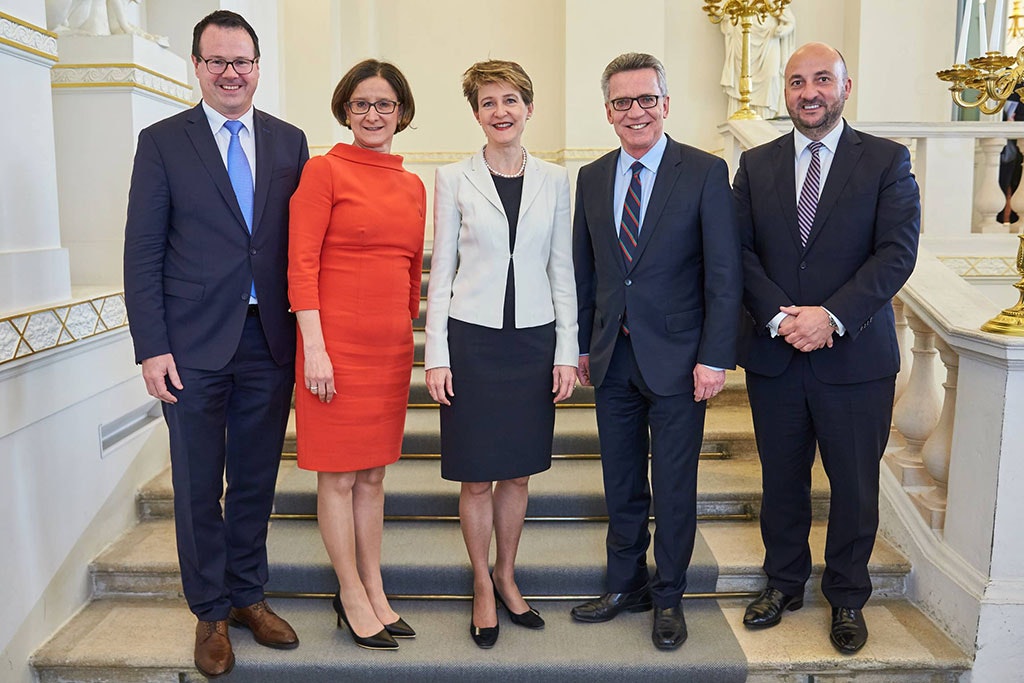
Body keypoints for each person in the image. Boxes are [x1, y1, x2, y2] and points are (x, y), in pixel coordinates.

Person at [123, 10, 307, 678]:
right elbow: (141, 250)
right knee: (200, 483)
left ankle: (249, 596)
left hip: (268, 339)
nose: (232, 73)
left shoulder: (290, 142)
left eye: (243, 61)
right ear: (197, 67)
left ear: (259, 67)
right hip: (191, 346)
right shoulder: (163, 142)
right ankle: (209, 609)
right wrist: (152, 345)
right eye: (217, 61)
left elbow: (297, 244)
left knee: (256, 477)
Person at [733, 42, 920, 654]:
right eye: (795, 82)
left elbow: (895, 253)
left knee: (855, 486)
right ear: (783, 93)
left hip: (855, 359)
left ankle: (846, 596)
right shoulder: (754, 164)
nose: (808, 92)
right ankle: (783, 583)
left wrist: (831, 317)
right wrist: (783, 317)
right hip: (777, 354)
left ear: (845, 87)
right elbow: (739, 252)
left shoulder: (888, 161)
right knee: (782, 479)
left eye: (821, 80)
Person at [570, 52, 742, 651]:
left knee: (672, 485)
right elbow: (586, 271)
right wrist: (585, 346)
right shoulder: (592, 177)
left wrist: (715, 356)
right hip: (613, 359)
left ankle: (669, 595)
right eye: (622, 102)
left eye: (646, 100)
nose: (635, 111)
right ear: (609, 111)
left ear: (666, 105)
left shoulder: (703, 171)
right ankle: (625, 585)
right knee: (620, 482)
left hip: (679, 360)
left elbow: (724, 272)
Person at [424, 59, 577, 649]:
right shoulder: (453, 178)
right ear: (476, 113)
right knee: (475, 477)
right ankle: (481, 586)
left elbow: (561, 271)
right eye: (488, 102)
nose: (501, 111)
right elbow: (442, 274)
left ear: (529, 108)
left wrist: (567, 350)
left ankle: (508, 576)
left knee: (517, 472)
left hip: (534, 341)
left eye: (511, 100)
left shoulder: (555, 179)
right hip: (472, 339)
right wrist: (436, 355)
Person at [288, 59, 425, 652]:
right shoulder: (323, 172)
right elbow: (301, 265)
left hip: (389, 349)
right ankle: (349, 592)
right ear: (346, 109)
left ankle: (375, 586)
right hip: (332, 348)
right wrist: (314, 348)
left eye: (385, 105)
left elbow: (409, 269)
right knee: (339, 477)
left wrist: (408, 336)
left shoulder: (413, 184)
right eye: (362, 104)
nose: (373, 115)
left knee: (373, 475)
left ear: (402, 113)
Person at [719, 7, 796, 119]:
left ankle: (768, 119)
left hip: (769, 36)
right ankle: (741, 113)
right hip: (742, 33)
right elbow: (725, 11)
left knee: (771, 76)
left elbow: (788, 18)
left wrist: (784, 28)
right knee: (740, 76)